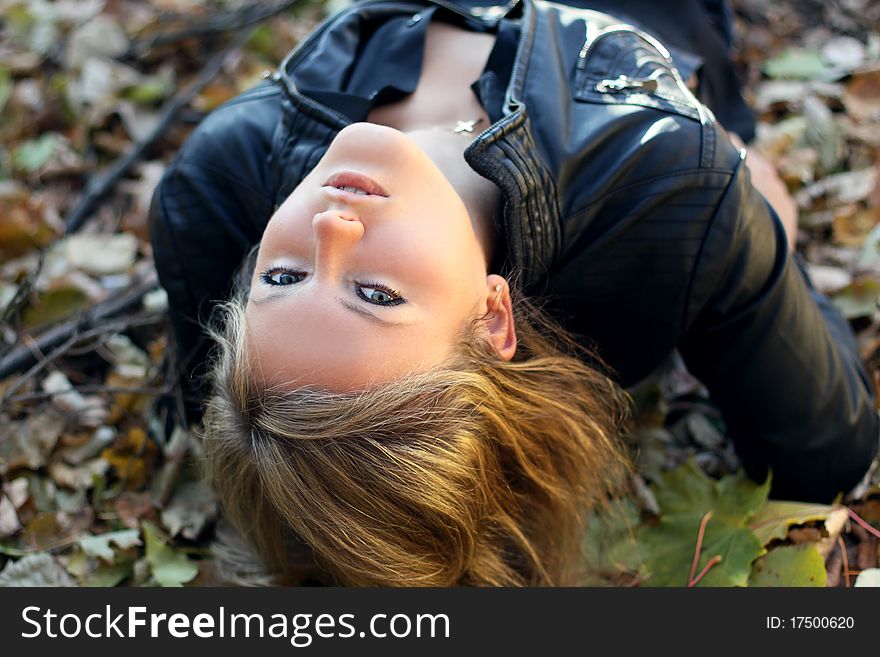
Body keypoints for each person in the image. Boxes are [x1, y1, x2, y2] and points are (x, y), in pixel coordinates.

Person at [149, 0, 880, 586]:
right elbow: (823, 449)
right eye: (374, 293)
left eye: (281, 278)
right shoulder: (663, 193)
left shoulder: (220, 183)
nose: (331, 230)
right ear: (493, 316)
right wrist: (768, 235)